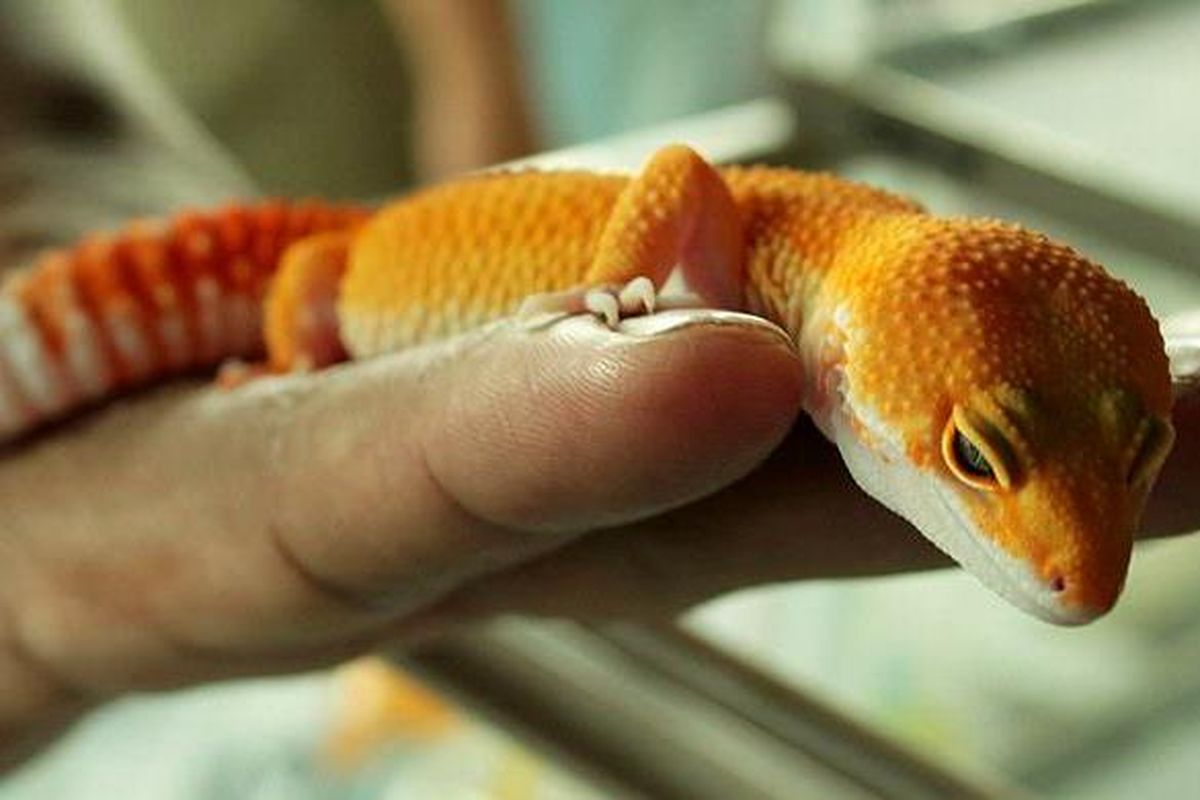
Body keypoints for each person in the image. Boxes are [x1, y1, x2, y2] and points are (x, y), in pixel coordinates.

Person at [4, 0, 1200, 774]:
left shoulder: (845, 271)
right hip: (311, 269)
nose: (1079, 563)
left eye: (1136, 453)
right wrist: (282, 367)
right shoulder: (764, 261)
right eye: (978, 458)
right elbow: (680, 171)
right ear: (848, 352)